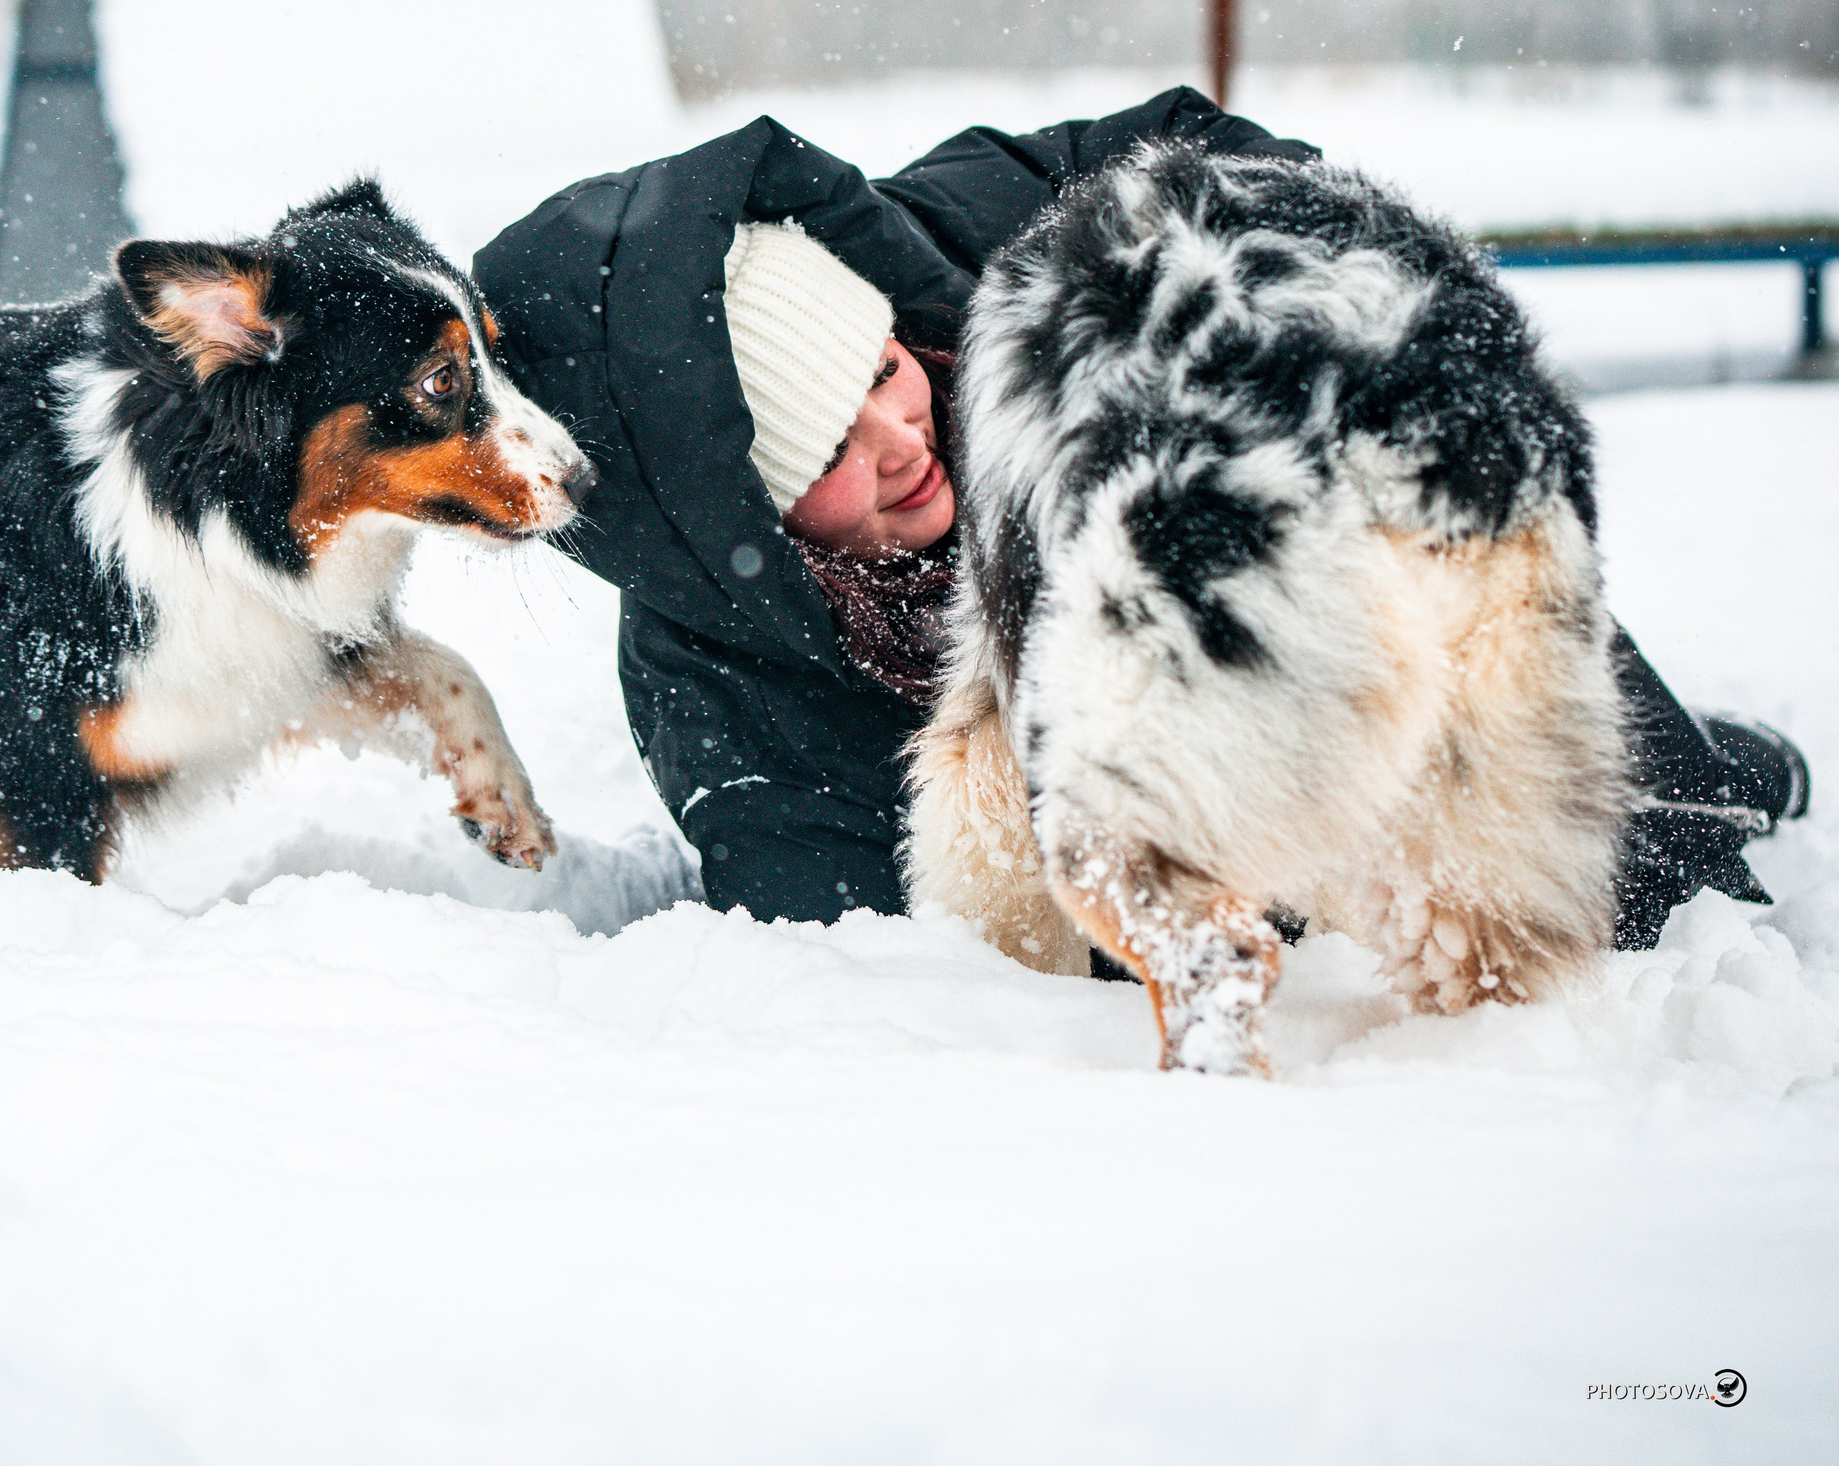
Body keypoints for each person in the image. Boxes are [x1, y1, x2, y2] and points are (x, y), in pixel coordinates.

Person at [474, 88, 1810, 949]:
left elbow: (1240, 173)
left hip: (1331, 585)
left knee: (1655, 883)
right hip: (1188, 814)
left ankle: (1671, 806)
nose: (901, 441)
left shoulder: (993, 232)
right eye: (827, 448)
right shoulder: (713, 684)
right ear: (734, 519)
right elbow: (894, 943)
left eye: (883, 371)